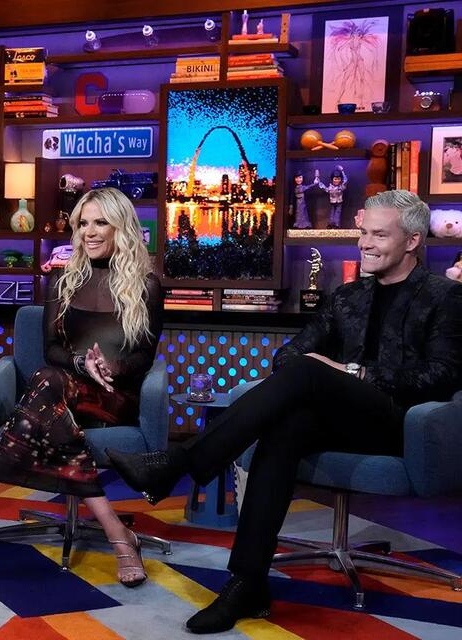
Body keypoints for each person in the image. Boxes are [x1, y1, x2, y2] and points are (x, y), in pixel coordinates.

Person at [107, 189, 462, 633]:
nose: (365, 244)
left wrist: (352, 372)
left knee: (311, 372)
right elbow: (288, 355)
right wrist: (325, 371)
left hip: (402, 423)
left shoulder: (445, 296)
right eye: (363, 233)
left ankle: (178, 463)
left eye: (379, 235)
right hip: (341, 421)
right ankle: (247, 584)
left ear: (412, 241)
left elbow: (443, 375)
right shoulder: (347, 296)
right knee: (286, 427)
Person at [0, 187, 164, 588]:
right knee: (47, 379)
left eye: (100, 222)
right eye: (83, 223)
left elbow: (145, 355)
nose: (89, 232)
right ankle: (116, 531)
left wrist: (111, 367)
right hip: (64, 389)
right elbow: (52, 350)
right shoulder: (61, 280)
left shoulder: (147, 286)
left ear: (121, 227)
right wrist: (82, 364)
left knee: (42, 388)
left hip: (113, 395)